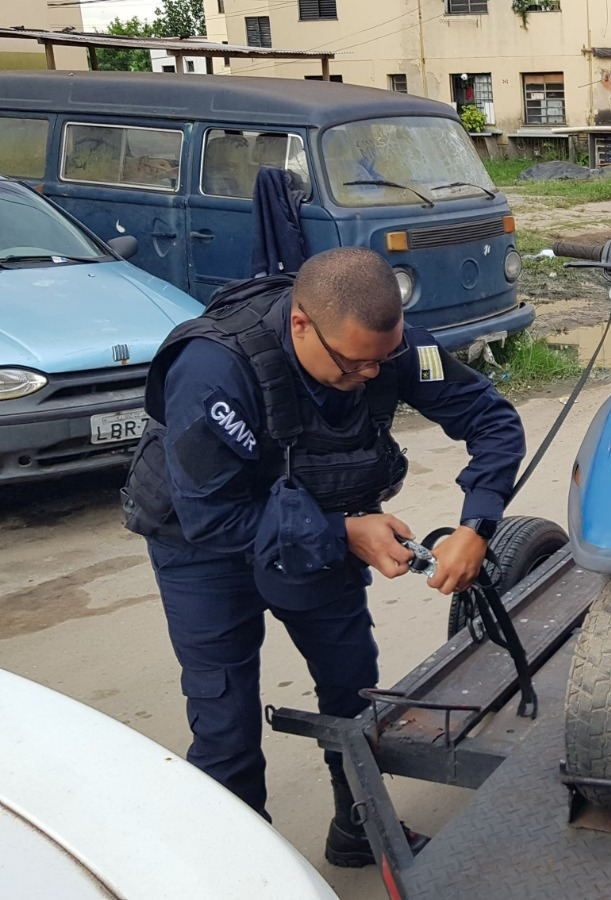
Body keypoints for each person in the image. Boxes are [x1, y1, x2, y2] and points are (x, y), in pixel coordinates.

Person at [121, 247, 526, 868]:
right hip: (202, 546)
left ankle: (361, 831)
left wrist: (478, 525)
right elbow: (215, 518)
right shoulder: (213, 368)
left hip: (315, 520)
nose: (370, 376)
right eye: (354, 363)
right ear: (302, 324)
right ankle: (244, 870)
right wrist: (345, 533)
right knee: (225, 724)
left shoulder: (386, 347)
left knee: (353, 691)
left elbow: (492, 421)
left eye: (380, 361)